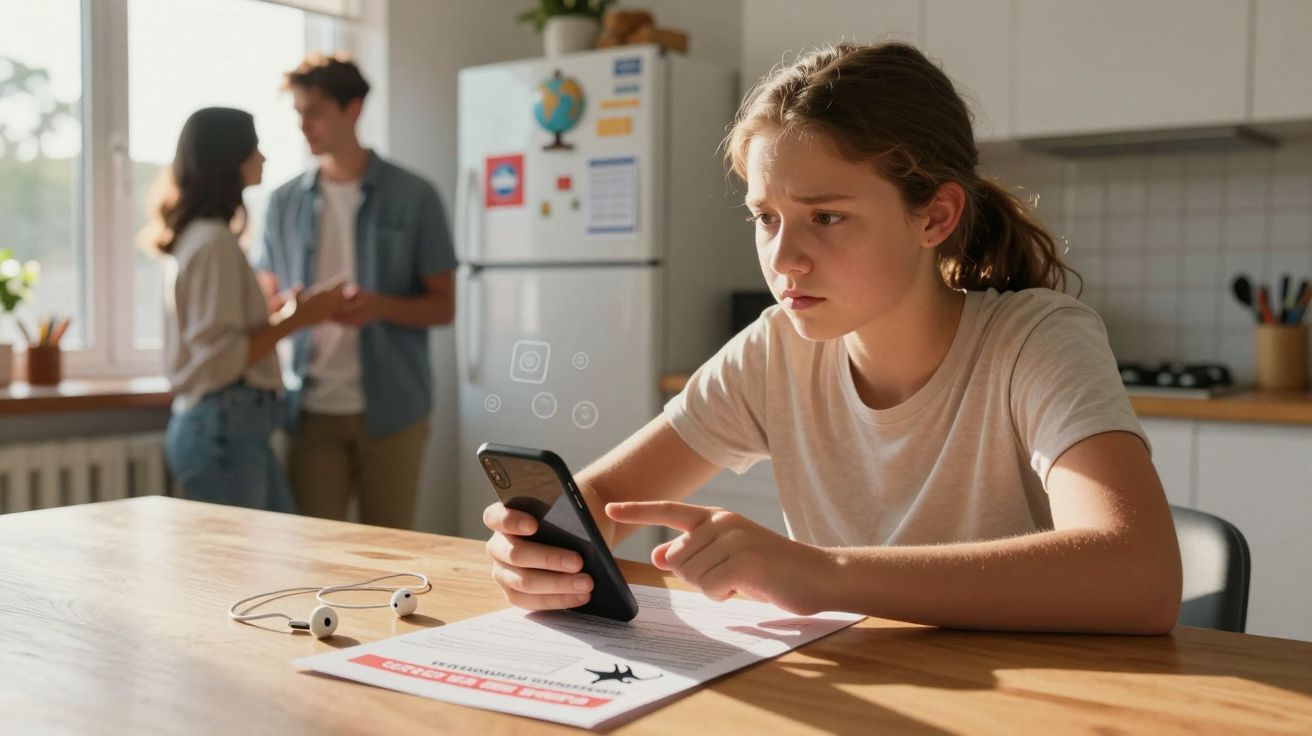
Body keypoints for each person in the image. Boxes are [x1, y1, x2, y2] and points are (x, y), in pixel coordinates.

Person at [481, 43, 1184, 634]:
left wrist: (825, 573)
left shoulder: (1036, 341)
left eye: (827, 217)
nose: (784, 260)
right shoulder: (774, 350)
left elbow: (1140, 576)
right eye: (766, 218)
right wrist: (543, 554)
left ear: (935, 216)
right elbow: (602, 499)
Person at [255, 55, 457, 529]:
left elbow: (444, 306)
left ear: (354, 108)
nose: (304, 125)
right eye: (299, 113)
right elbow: (265, 305)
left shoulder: (415, 195)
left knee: (389, 553)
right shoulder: (283, 203)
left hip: (394, 411)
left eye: (315, 111)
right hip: (309, 412)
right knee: (314, 552)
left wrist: (379, 307)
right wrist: (295, 310)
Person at [148, 107, 345, 511]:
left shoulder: (198, 237)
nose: (263, 158)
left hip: (224, 427)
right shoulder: (214, 242)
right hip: (224, 429)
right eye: (254, 148)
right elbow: (221, 360)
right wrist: (298, 319)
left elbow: (217, 342)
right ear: (230, 159)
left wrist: (273, 318)